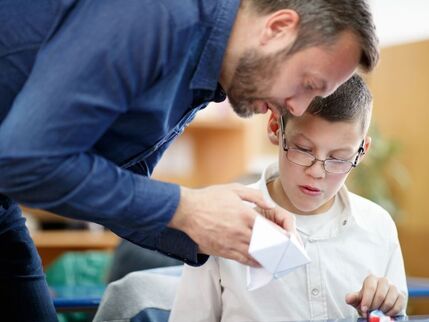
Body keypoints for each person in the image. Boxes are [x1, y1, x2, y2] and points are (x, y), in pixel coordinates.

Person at [0, 0, 378, 320]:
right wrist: (187, 209)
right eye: (307, 84)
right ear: (277, 28)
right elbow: (23, 160)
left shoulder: (205, 73)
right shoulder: (159, 15)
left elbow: (117, 189)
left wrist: (215, 228)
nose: (296, 106)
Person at [169, 74, 407, 321]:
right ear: (275, 128)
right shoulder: (222, 220)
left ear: (362, 150)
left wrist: (391, 308)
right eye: (303, 149)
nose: (316, 172)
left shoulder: (378, 227)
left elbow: (395, 314)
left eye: (338, 159)